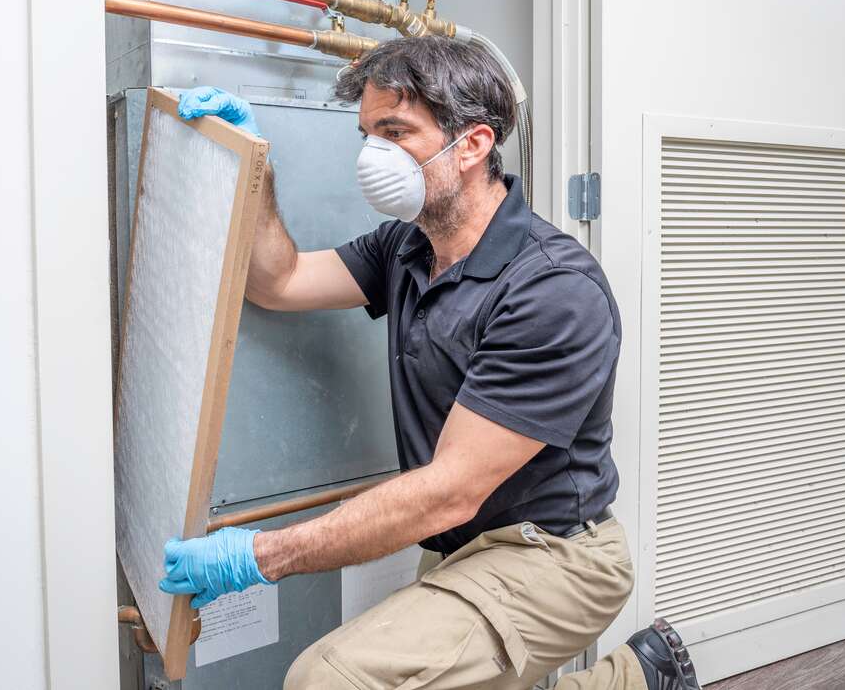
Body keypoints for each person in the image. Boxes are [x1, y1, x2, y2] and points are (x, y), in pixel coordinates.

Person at [159, 36, 702, 690]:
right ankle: (644, 676)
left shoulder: (552, 290)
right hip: (461, 545)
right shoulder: (406, 246)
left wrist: (256, 555)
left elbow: (450, 489)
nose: (373, 155)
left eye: (394, 131)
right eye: (366, 134)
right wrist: (254, 169)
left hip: (555, 554)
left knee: (327, 679)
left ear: (472, 145)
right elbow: (282, 280)